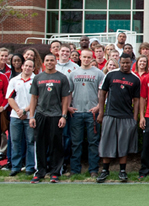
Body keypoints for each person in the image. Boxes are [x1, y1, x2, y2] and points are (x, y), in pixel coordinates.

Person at [95, 54, 141, 183]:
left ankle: (122, 171)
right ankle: (105, 170)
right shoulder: (110, 75)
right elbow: (102, 93)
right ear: (119, 62)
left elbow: (136, 100)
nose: (125, 65)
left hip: (126, 116)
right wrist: (101, 113)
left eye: (128, 63)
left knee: (123, 144)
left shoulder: (135, 79)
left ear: (131, 62)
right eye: (123, 63)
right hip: (110, 114)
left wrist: (134, 118)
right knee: (107, 143)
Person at [28, 53, 71, 183]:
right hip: (41, 115)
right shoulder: (38, 78)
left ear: (55, 62)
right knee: (40, 144)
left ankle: (55, 172)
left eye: (52, 60)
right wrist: (31, 116)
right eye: (47, 60)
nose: (49, 62)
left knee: (55, 145)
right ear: (44, 63)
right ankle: (40, 171)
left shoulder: (62, 78)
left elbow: (65, 99)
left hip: (56, 115)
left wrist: (63, 116)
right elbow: (34, 98)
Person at [67, 50, 105, 176]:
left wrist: (99, 107)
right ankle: (75, 169)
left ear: (91, 58)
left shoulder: (98, 73)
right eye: (84, 57)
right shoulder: (73, 73)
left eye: (89, 57)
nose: (86, 59)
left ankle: (93, 169)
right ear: (80, 57)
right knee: (76, 142)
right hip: (77, 112)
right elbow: (68, 92)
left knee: (93, 143)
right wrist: (68, 107)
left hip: (92, 113)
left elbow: (103, 93)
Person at [6, 59, 36, 176]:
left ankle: (30, 166)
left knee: (30, 141)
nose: (27, 68)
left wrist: (25, 110)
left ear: (33, 69)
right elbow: (10, 98)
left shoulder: (35, 80)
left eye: (30, 66)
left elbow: (36, 99)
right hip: (15, 116)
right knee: (15, 141)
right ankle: (16, 166)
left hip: (30, 116)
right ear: (22, 66)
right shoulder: (14, 80)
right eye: (26, 66)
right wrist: (18, 111)